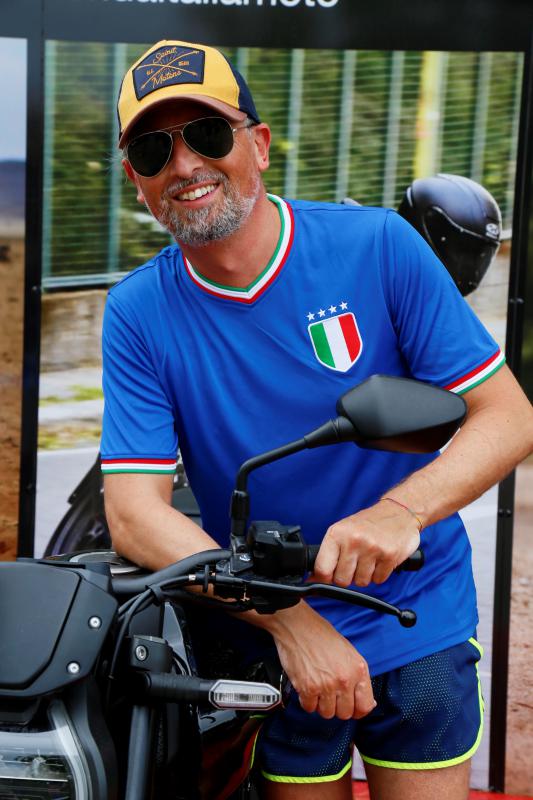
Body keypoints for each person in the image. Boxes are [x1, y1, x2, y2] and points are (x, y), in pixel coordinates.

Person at [101, 39, 533, 800]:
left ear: (258, 145)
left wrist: (401, 511)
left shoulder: (379, 246)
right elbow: (135, 515)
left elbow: (507, 414)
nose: (184, 164)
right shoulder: (137, 311)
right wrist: (291, 623)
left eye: (208, 133)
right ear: (137, 181)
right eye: (152, 149)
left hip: (413, 613)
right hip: (262, 630)